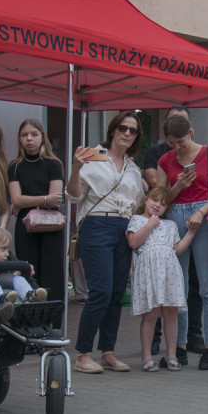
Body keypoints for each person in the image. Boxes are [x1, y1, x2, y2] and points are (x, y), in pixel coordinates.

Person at [66, 111, 146, 374]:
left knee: (115, 293)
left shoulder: (133, 168)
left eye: (133, 130)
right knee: (99, 290)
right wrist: (76, 167)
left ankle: (108, 352)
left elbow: (137, 205)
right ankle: (83, 354)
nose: (126, 133)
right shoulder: (92, 157)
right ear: (112, 130)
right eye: (122, 127)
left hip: (123, 227)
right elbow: (74, 196)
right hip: (97, 224)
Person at [155, 114, 208, 371]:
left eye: (182, 142)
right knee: (178, 287)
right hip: (175, 217)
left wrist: (202, 212)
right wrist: (177, 187)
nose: (178, 148)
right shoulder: (165, 160)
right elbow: (161, 201)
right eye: (173, 143)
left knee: (207, 286)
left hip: (202, 217)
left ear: (191, 133)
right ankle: (179, 347)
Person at [127, 187, 197, 372]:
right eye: (154, 201)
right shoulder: (136, 220)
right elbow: (133, 242)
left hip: (169, 272)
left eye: (163, 204)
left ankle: (172, 355)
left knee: (171, 312)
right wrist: (150, 224)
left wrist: (190, 233)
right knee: (150, 313)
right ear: (145, 200)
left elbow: (178, 249)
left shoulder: (170, 225)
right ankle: (147, 356)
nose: (157, 205)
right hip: (148, 271)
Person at [8, 118, 66, 303]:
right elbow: (15, 199)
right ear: (19, 138)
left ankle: (53, 322)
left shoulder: (53, 164)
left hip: (51, 226)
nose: (29, 139)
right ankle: (29, 320)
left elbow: (56, 199)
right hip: (25, 227)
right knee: (27, 270)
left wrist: (28, 201)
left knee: (52, 273)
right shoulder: (15, 166)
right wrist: (44, 199)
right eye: (25, 135)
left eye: (34, 134)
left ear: (42, 137)